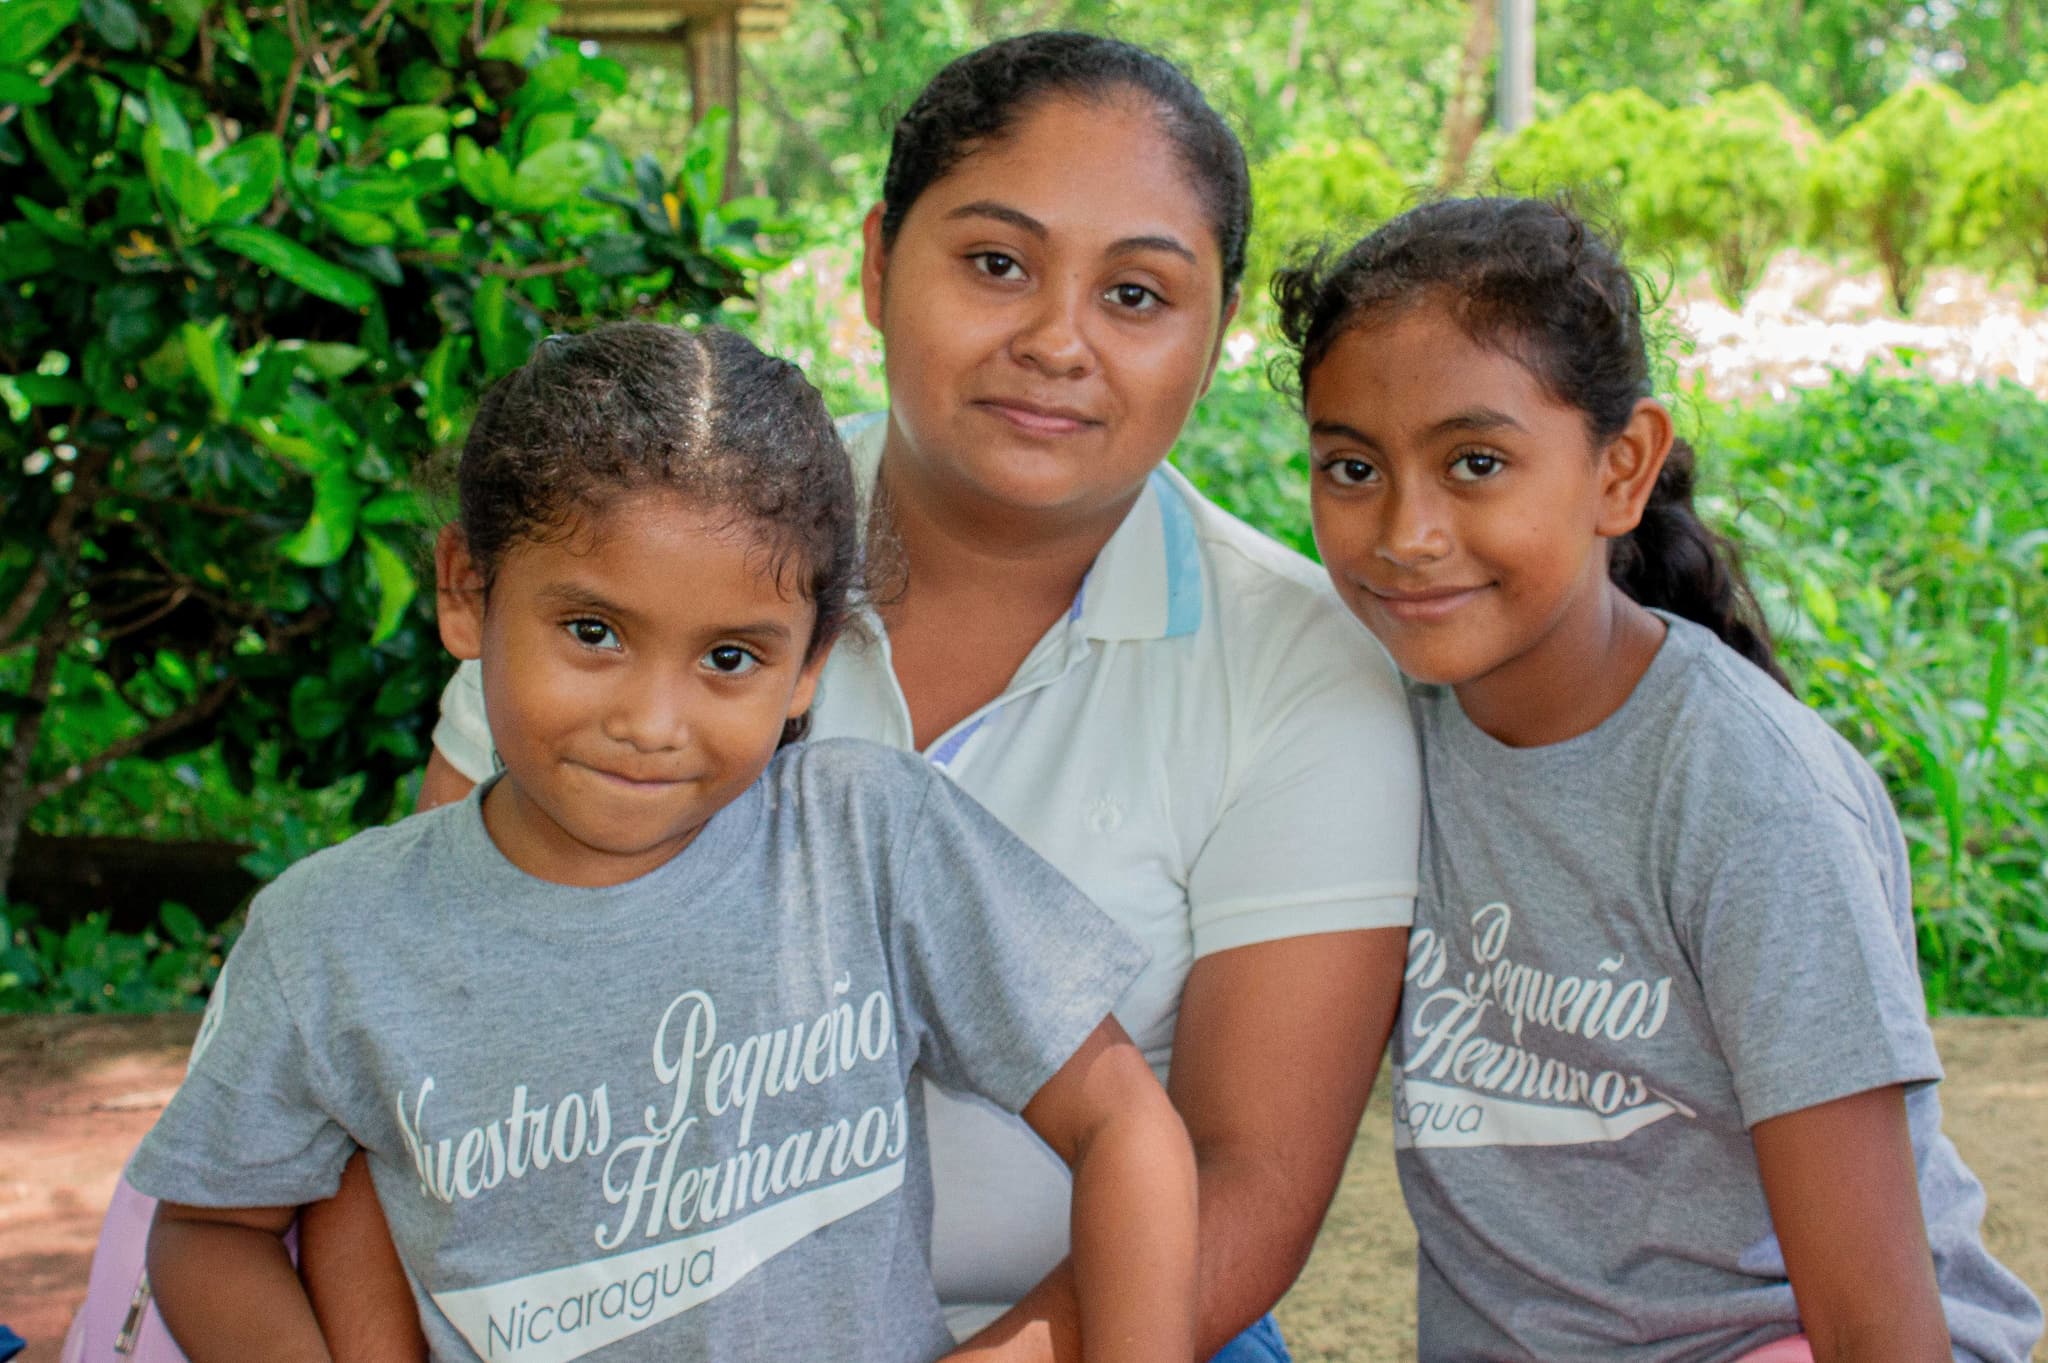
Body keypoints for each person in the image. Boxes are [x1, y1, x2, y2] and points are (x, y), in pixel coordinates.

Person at [410, 32, 1419, 1363]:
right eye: (995, 264)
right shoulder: (654, 555)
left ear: (1214, 328)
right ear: (880, 263)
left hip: (1110, 1323)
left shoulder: (1301, 666)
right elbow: (435, 1021)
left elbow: (1248, 1179)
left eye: (1136, 294)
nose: (1059, 341)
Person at [123, 323, 1199, 1363]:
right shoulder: (332, 935)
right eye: (592, 633)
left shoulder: (872, 839)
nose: (651, 719)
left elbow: (1122, 1124)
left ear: (813, 658)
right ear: (466, 591)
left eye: (730, 656)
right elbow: (214, 1230)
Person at [1276, 195, 2044, 1363]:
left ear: (1619, 468)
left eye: (1474, 461)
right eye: (1349, 466)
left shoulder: (1748, 802)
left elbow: (1873, 1322)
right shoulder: (1367, 732)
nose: (1405, 531)